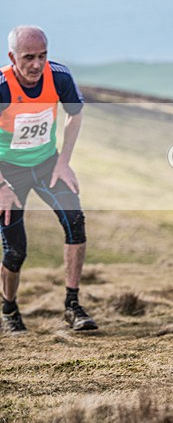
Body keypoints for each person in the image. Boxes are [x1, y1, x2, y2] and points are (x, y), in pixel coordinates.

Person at [0, 26, 97, 334]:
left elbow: (75, 115)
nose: (37, 65)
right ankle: (9, 308)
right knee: (16, 251)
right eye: (29, 57)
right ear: (12, 57)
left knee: (76, 222)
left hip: (46, 165)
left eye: (43, 56)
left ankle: (72, 306)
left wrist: (64, 162)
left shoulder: (59, 77)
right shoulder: (2, 86)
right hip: (7, 172)